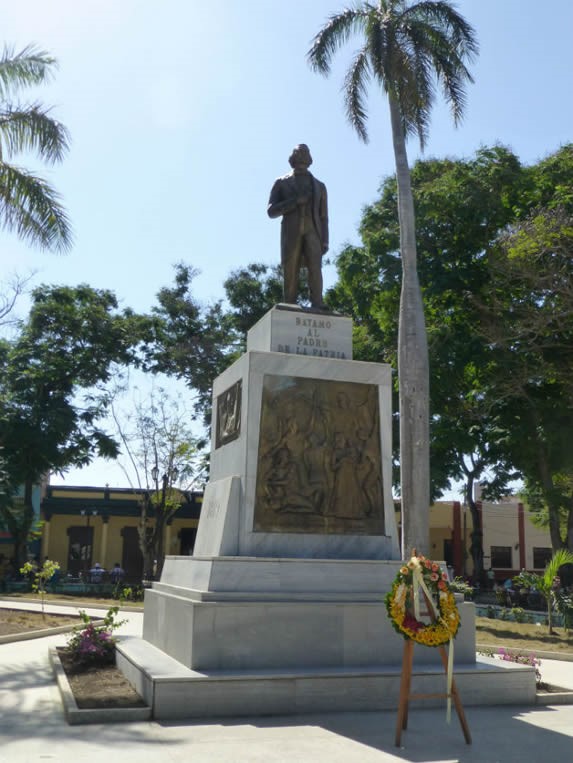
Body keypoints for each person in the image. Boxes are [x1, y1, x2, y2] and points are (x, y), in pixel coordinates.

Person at [267, 144, 329, 309]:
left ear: (309, 159)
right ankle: (290, 302)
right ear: (292, 159)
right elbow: (271, 211)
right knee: (290, 267)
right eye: (298, 153)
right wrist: (295, 202)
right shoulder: (281, 182)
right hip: (291, 230)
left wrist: (325, 240)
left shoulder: (320, 186)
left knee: (315, 267)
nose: (301, 156)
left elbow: (324, 217)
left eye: (304, 153)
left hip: (313, 230)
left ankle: (317, 302)